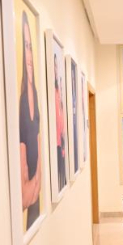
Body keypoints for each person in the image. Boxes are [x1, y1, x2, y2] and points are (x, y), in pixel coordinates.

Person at [19, 11, 41, 228]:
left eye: (30, 47)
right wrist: (34, 183)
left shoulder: (37, 97)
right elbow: (25, 196)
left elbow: (41, 144)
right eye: (24, 45)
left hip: (38, 187)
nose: (29, 54)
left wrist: (38, 181)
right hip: (30, 188)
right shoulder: (23, 102)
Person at [53, 53, 67, 192]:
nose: (55, 70)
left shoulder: (59, 93)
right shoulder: (53, 93)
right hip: (56, 147)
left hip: (62, 147)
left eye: (57, 66)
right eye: (54, 66)